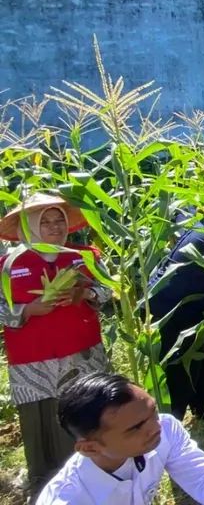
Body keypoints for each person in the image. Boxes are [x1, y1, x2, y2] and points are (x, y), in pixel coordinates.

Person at [0, 193, 112, 497]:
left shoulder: (85, 256)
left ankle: (93, 471)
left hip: (82, 352)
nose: (54, 227)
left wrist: (86, 293)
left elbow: (108, 290)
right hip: (32, 357)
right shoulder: (7, 265)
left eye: (58, 220)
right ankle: (45, 477)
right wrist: (28, 310)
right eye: (45, 222)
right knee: (41, 413)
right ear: (28, 227)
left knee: (84, 407)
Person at [35, 372, 204, 505]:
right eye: (135, 428)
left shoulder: (165, 429)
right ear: (90, 448)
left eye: (152, 411)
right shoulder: (69, 499)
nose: (154, 427)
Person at [146, 202, 204, 421]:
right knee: (178, 365)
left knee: (199, 351)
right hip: (173, 303)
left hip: (189, 300)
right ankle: (170, 422)